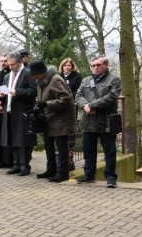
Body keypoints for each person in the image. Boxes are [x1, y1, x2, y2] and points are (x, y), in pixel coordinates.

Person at [75, 57, 122, 188]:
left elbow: (112, 97)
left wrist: (92, 105)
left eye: (98, 65)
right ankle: (89, 174)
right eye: (93, 65)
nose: (95, 67)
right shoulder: (86, 80)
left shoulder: (114, 79)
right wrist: (85, 106)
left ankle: (111, 177)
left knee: (109, 151)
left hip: (106, 120)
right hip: (88, 120)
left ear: (106, 65)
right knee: (88, 151)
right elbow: (78, 96)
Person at [30, 61, 75, 183]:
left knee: (61, 146)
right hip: (48, 118)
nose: (34, 77)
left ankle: (63, 173)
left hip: (61, 118)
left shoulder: (55, 79)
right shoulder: (41, 81)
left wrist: (46, 104)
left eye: (35, 75)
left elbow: (66, 99)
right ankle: (51, 169)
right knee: (48, 145)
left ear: (42, 72)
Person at [0, 51, 36, 175]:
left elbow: (33, 91)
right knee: (11, 140)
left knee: (22, 141)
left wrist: (17, 92)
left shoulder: (28, 73)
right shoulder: (7, 76)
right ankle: (15, 164)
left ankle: (24, 165)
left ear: (20, 62)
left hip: (23, 112)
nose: (10, 67)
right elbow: (6, 92)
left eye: (12, 64)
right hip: (9, 111)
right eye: (9, 64)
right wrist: (1, 96)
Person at [59, 57, 82, 171]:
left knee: (70, 132)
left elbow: (77, 92)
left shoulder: (77, 77)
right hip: (59, 107)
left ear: (72, 67)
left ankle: (70, 159)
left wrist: (68, 99)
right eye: (65, 65)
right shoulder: (58, 77)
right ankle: (61, 159)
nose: (67, 67)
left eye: (69, 65)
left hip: (71, 107)